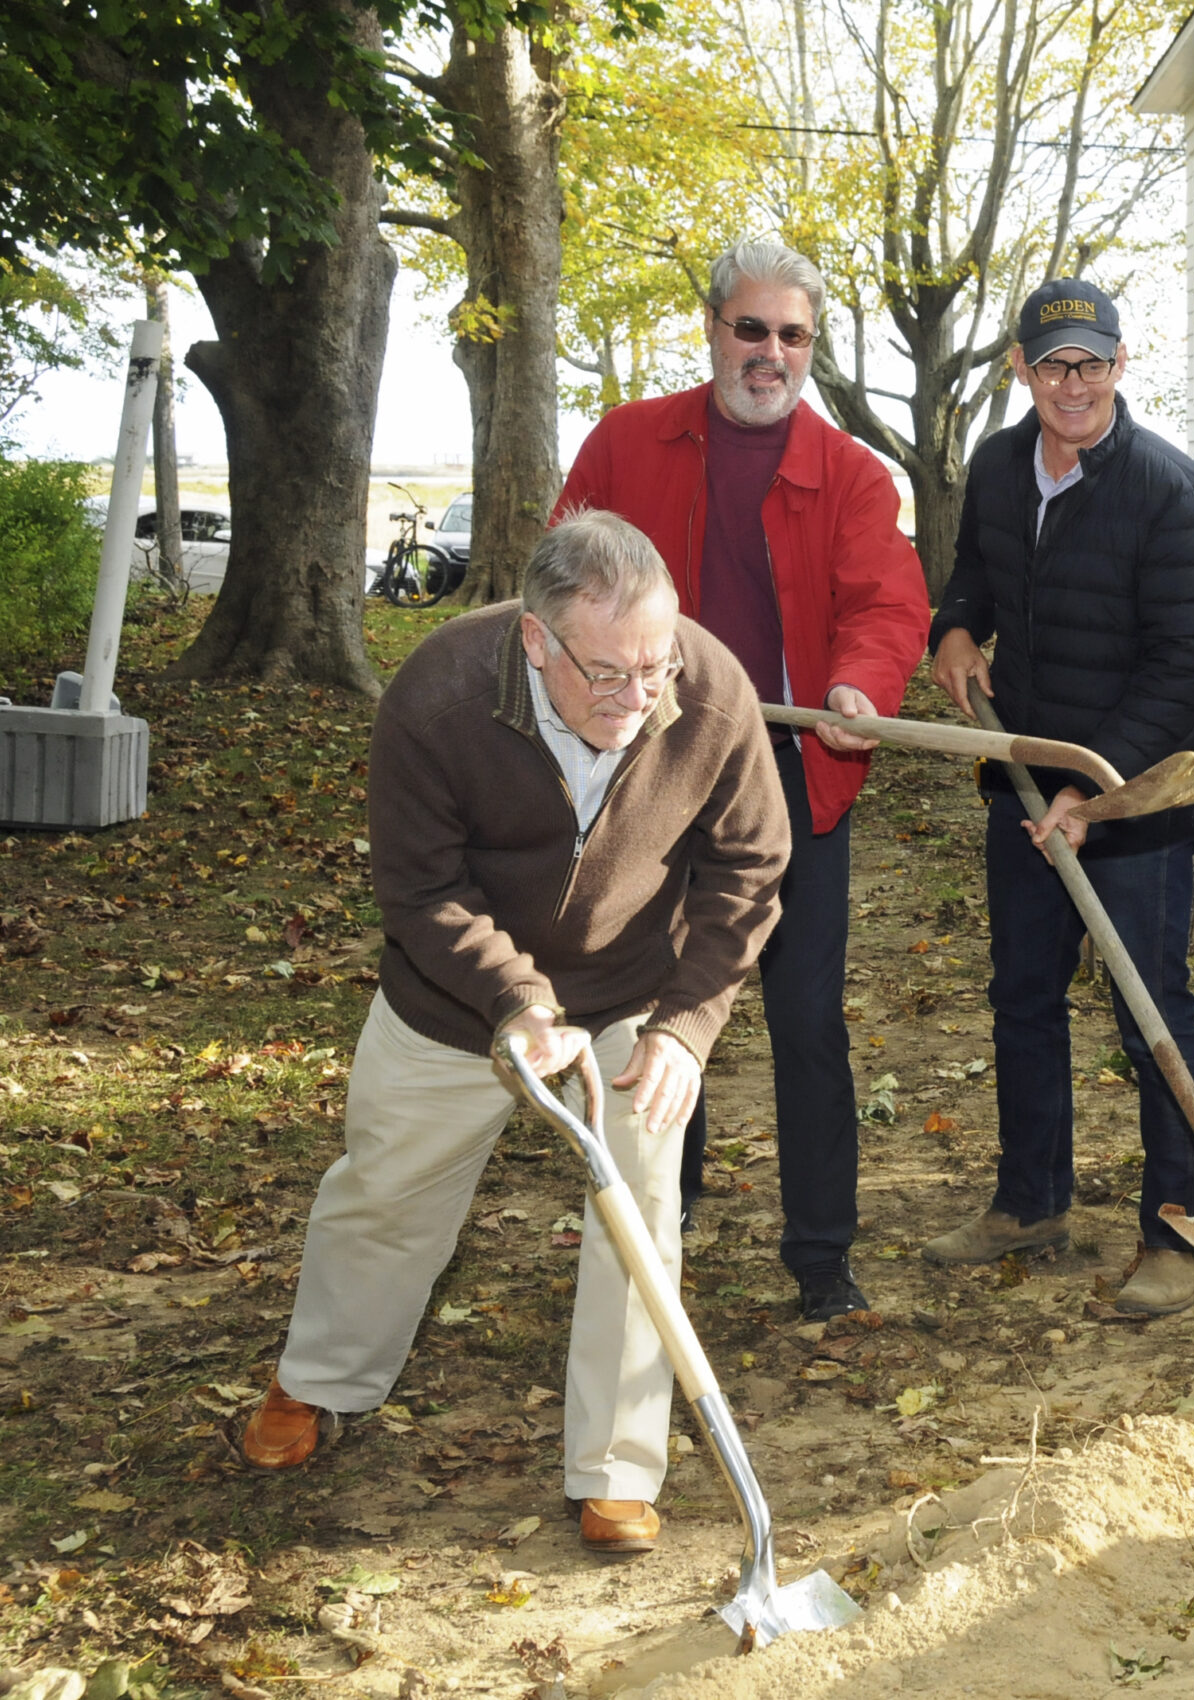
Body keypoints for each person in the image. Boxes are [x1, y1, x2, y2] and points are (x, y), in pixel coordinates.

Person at [239, 513, 790, 1557]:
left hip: (634, 986)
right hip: (455, 997)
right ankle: (316, 1380)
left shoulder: (707, 689)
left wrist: (685, 1025)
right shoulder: (438, 696)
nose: (638, 699)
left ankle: (616, 1468)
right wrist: (519, 1002)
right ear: (536, 641)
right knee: (386, 1192)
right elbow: (420, 886)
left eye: (653, 665)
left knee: (641, 1207)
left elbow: (750, 867)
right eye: (608, 673)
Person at [554, 238, 929, 1323]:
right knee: (652, 1005)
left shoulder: (854, 474)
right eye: (751, 329)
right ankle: (658, 1215)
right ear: (715, 328)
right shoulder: (627, 444)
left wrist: (858, 688)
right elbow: (560, 572)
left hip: (789, 770)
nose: (770, 354)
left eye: (793, 335)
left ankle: (822, 1256)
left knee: (806, 1015)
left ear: (812, 347)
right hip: (647, 767)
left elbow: (886, 606)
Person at [923, 279, 1194, 1315]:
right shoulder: (1001, 465)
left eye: (1091, 363)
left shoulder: (1171, 492)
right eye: (1053, 365)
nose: (1073, 384)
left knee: (1150, 1010)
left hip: (1132, 802)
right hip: (1022, 782)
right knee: (1022, 997)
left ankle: (1178, 1226)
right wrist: (953, 627)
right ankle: (1031, 1196)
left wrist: (1093, 789)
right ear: (1021, 368)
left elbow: (1181, 669)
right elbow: (974, 572)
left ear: (1120, 365)